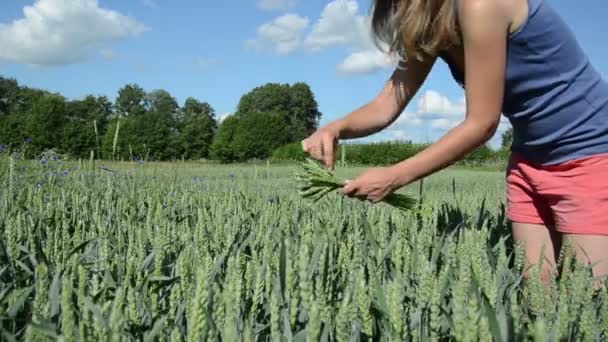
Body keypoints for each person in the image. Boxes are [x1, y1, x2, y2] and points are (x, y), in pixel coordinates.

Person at [301, 0, 608, 287]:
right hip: (528, 161)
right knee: (537, 299)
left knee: (586, 301)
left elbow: (482, 123)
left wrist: (394, 176)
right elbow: (386, 104)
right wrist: (335, 128)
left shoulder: (480, 5)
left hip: (590, 157)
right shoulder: (433, 23)